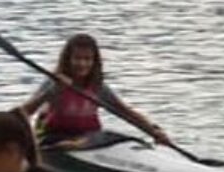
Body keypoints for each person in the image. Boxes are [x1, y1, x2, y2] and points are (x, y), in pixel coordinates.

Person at [14, 33, 172, 148]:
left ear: (94, 62)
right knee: (76, 141)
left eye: (87, 59)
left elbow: (125, 112)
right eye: (77, 58)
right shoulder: (54, 82)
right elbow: (23, 113)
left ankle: (78, 144)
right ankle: (70, 145)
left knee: (119, 138)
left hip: (89, 139)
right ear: (67, 60)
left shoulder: (98, 87)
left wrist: (154, 132)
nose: (82, 64)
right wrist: (52, 92)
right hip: (53, 137)